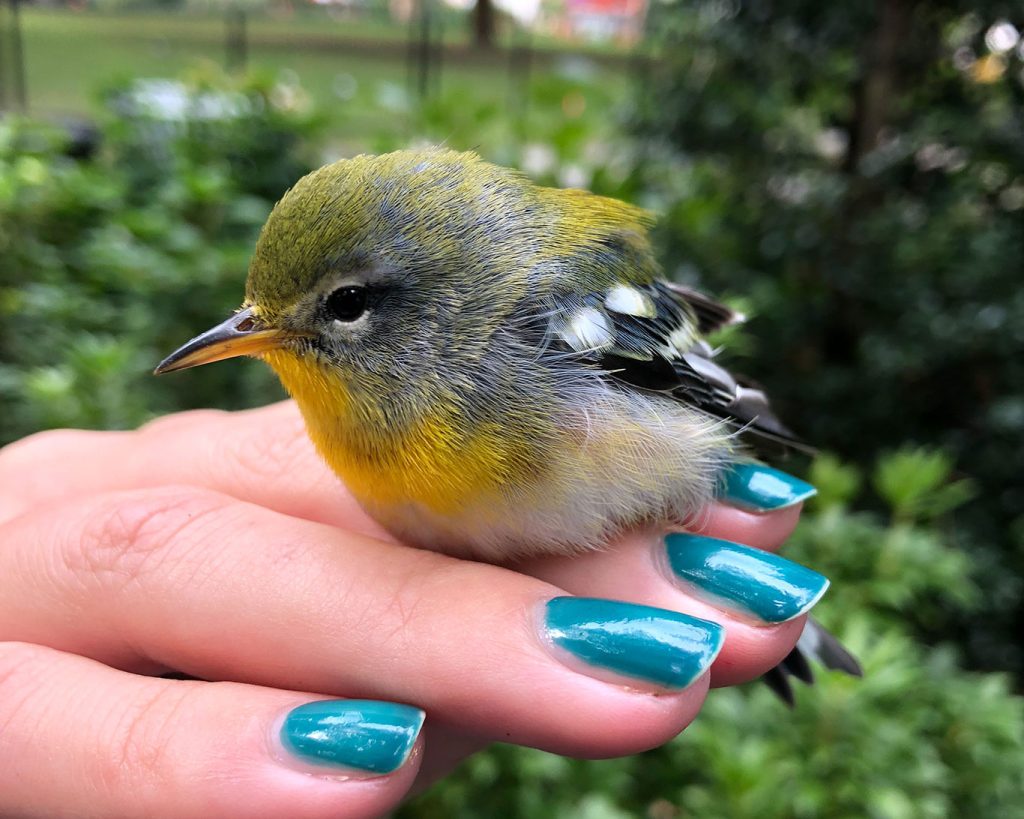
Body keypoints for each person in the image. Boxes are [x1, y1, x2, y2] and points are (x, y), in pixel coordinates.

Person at [0, 401, 819, 818]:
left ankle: (790, 638)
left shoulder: (530, 323)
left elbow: (683, 386)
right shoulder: (349, 404)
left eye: (343, 307)